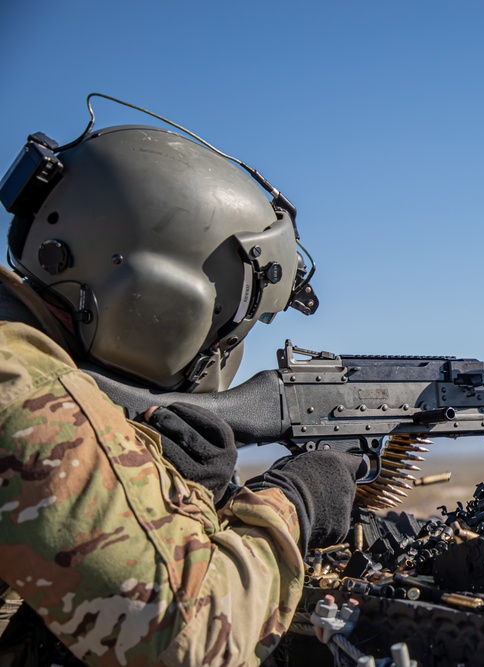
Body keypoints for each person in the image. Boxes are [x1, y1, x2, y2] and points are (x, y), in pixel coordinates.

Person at [0, 121, 359, 665]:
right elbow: (193, 642)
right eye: (229, 330)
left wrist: (174, 490)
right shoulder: (29, 396)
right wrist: (297, 501)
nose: (223, 353)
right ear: (165, 304)